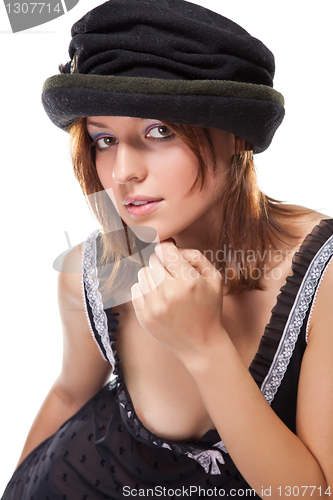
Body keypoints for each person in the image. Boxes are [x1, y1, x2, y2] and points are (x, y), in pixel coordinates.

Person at [2, 0, 333, 498]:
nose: (122, 172)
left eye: (160, 131)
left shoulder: (322, 275)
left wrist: (206, 348)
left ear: (235, 136)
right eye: (104, 139)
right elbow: (70, 391)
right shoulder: (89, 271)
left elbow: (313, 492)